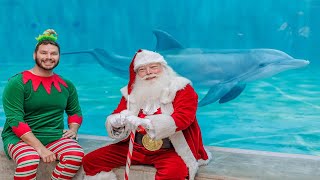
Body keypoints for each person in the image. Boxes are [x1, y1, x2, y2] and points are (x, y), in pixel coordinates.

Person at [82, 49, 211, 180]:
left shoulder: (182, 88)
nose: (148, 72)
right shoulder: (132, 92)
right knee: (91, 161)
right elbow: (118, 112)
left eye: (153, 67)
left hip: (170, 150)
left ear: (164, 68)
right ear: (136, 73)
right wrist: (115, 121)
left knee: (174, 173)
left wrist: (146, 123)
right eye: (142, 69)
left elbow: (184, 118)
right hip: (135, 148)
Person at [1, 29, 84, 180]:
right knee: (29, 158)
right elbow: (15, 120)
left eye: (53, 54)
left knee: (76, 155)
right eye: (44, 53)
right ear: (35, 55)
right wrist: (40, 148)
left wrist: (73, 129)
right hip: (18, 137)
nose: (49, 57)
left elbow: (75, 112)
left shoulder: (67, 84)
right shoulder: (17, 83)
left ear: (59, 57)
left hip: (53, 136)